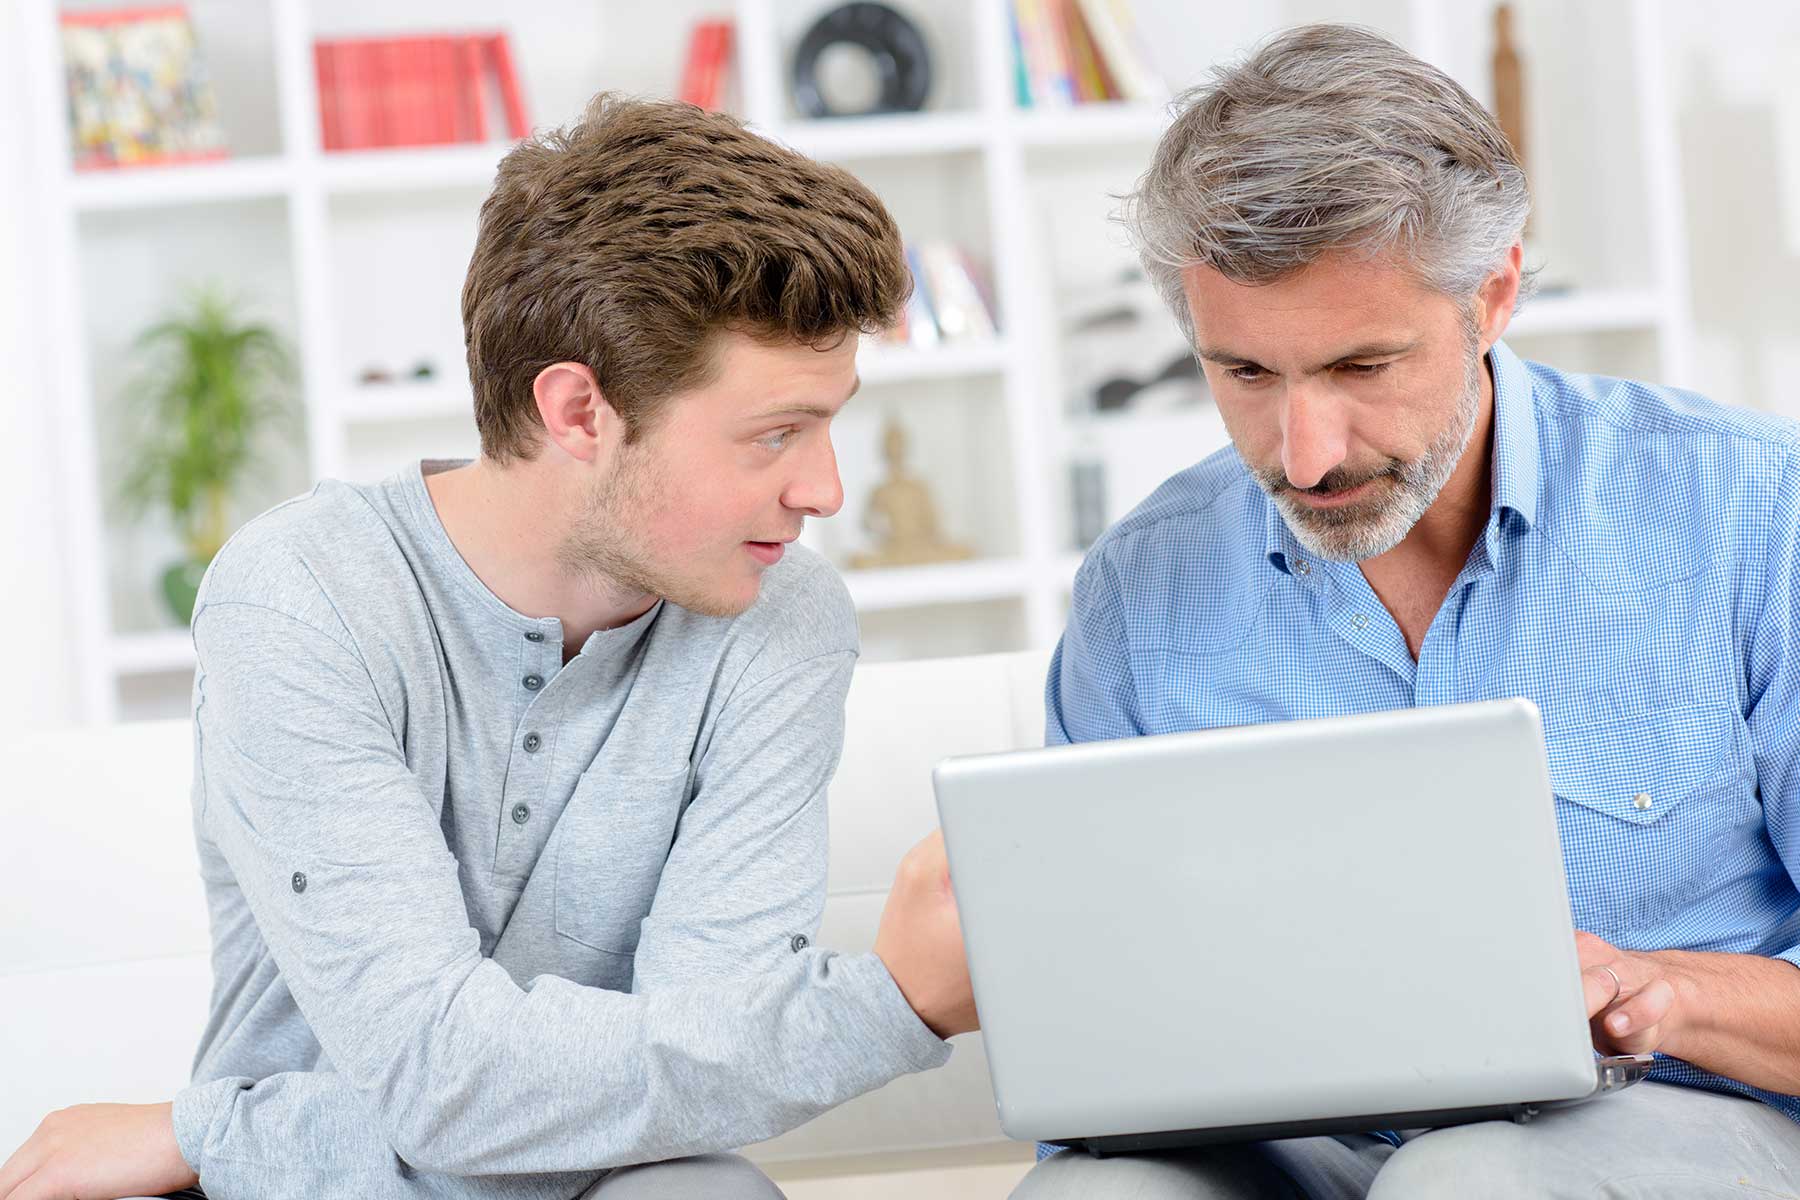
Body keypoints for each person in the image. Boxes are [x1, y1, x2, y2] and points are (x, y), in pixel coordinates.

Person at [0, 94, 975, 1200]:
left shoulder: (780, 620)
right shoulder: (305, 596)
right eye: (774, 434)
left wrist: (216, 1131)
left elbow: (716, 1053)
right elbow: (448, 1082)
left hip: (604, 1176)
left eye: (828, 421)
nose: (825, 490)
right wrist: (891, 1005)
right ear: (577, 413)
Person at [1015, 23, 1800, 1200]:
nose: (1306, 455)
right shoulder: (1144, 585)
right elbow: (1094, 1037)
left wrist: (1659, 991)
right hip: (1289, 1147)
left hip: (1674, 1125)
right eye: (1245, 374)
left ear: (1493, 296)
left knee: (1467, 1179)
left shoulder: (1748, 509)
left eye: (1362, 368)